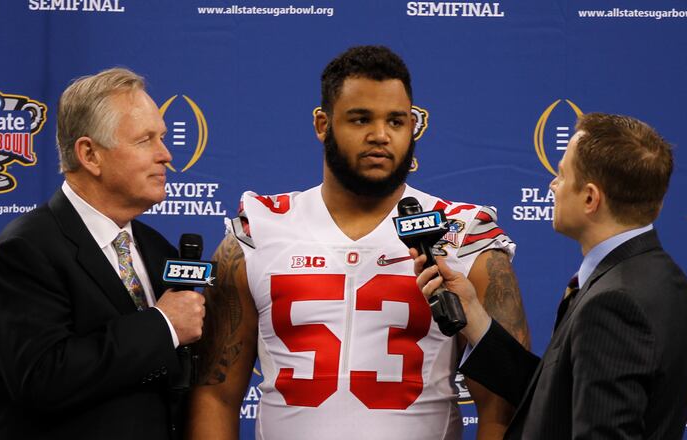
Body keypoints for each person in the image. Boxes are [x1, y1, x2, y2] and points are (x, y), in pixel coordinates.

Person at [188, 46, 530, 440]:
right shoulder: (259, 230)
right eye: (360, 119)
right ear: (322, 123)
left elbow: (503, 405)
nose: (381, 135)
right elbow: (216, 394)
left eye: (397, 121)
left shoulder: (464, 232)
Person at [414, 113, 687, 439]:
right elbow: (553, 397)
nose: (552, 185)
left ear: (590, 198)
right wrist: (474, 317)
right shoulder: (665, 282)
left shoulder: (614, 302)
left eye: (562, 175)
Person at [0, 68, 206, 440]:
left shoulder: (158, 249)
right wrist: (161, 326)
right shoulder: (25, 250)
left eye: (162, 138)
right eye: (146, 140)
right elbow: (41, 378)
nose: (166, 154)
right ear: (90, 154)